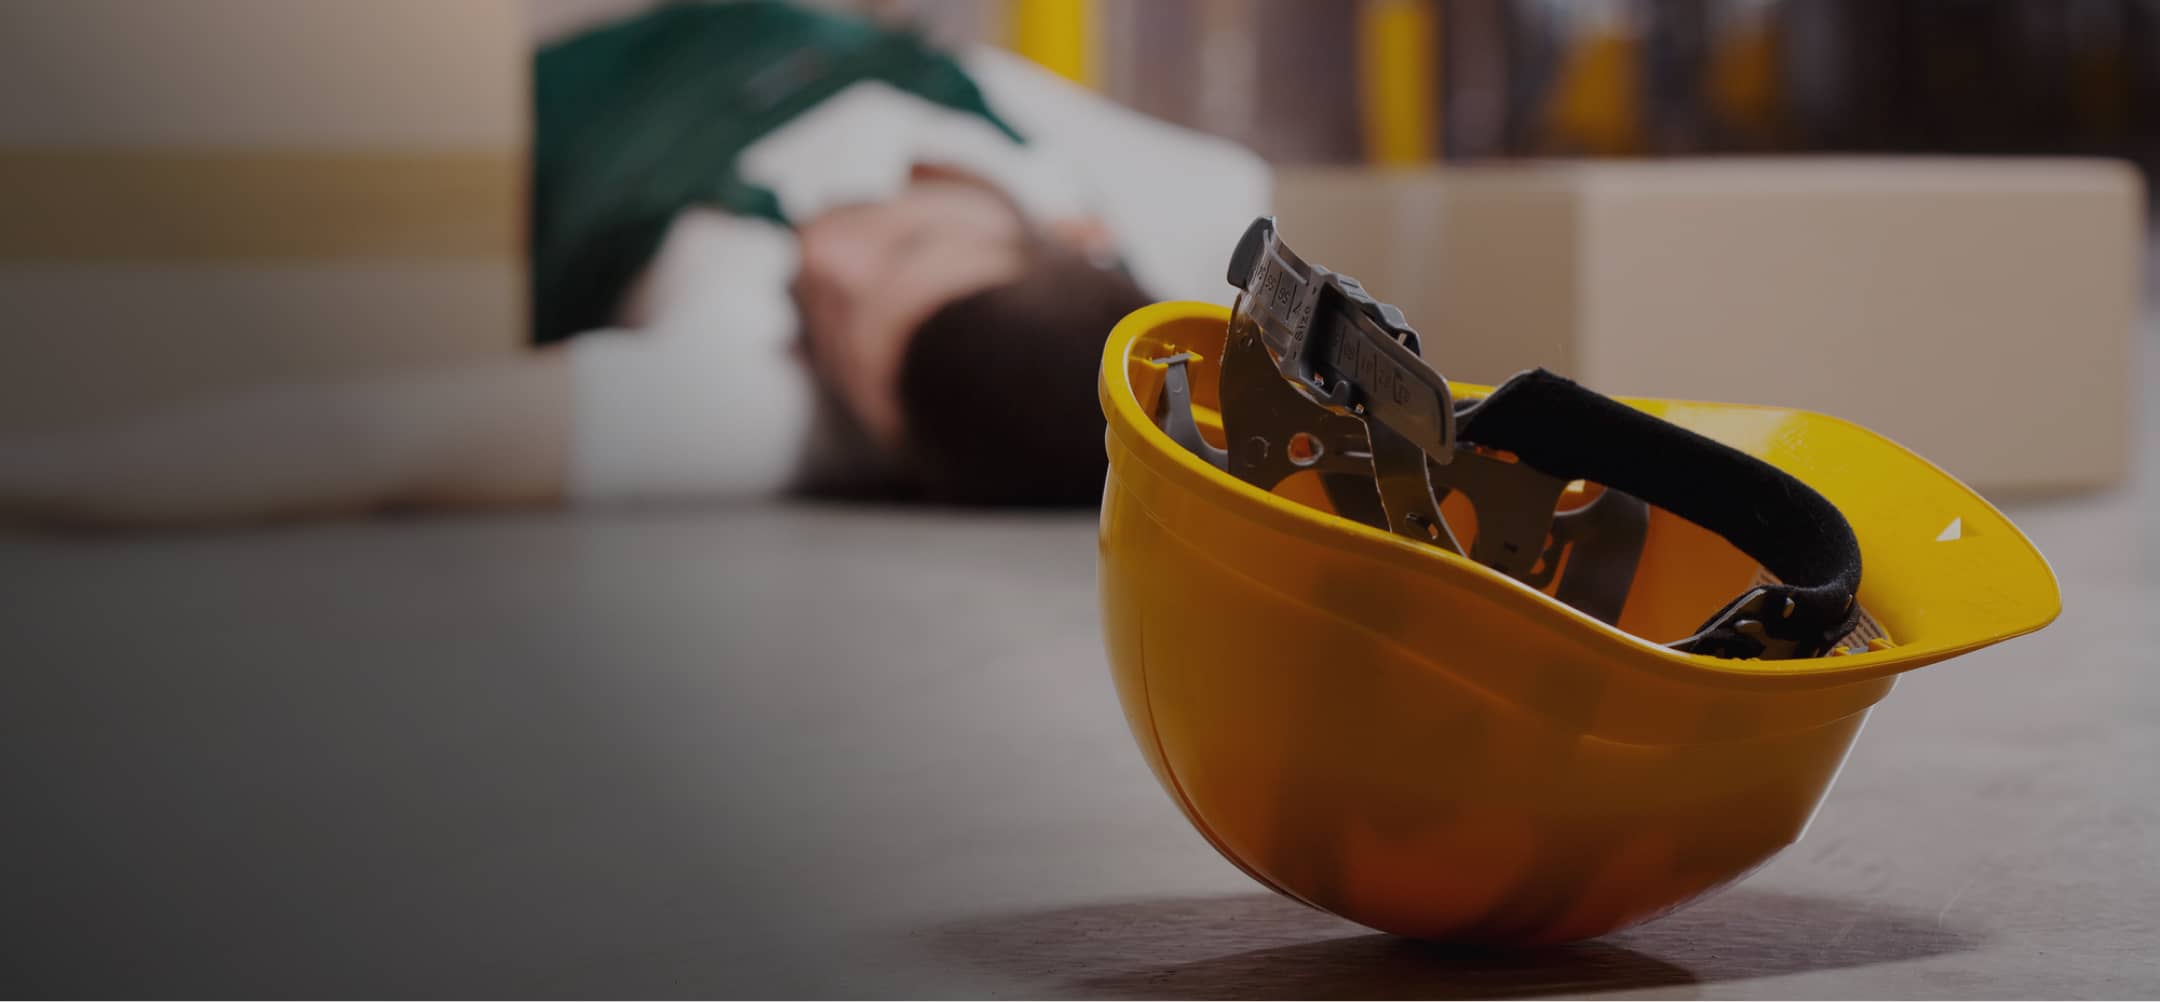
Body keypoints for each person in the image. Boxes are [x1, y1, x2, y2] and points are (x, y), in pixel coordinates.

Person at [0, 1, 1265, 528]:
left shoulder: (758, 408)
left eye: (845, 339)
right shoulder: (1179, 204)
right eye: (910, 248)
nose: (832, 263)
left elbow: (369, 439)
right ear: (1072, 237)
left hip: (508, 130)